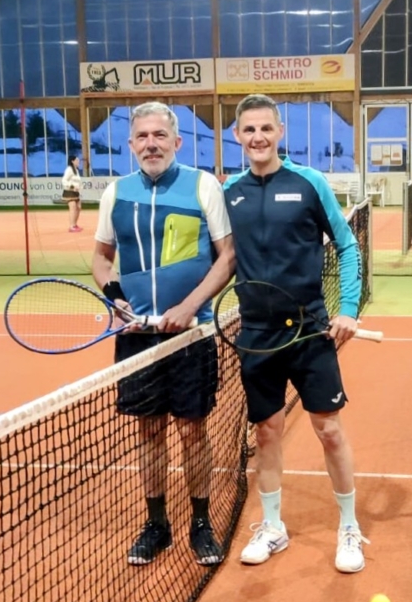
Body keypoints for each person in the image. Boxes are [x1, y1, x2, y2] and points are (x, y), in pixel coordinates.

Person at [223, 93, 369, 574]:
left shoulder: (309, 183)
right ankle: (272, 527)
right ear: (237, 135)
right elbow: (222, 260)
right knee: (266, 432)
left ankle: (349, 527)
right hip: (256, 336)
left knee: (329, 431)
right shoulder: (230, 192)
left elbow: (347, 245)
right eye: (249, 129)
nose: (258, 137)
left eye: (266, 128)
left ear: (279, 132)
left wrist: (348, 309)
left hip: (310, 332)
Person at [91, 101, 236, 567]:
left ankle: (200, 523)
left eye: (159, 135)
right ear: (131, 144)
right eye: (142, 136)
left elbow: (228, 256)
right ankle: (156, 524)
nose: (151, 144)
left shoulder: (203, 185)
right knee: (149, 431)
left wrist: (189, 307)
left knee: (192, 431)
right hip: (138, 336)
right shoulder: (116, 193)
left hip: (191, 335)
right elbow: (101, 259)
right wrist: (115, 298)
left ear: (177, 141)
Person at [62, 155, 83, 232]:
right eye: (76, 160)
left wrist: (79, 187)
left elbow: (78, 181)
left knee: (79, 207)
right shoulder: (69, 169)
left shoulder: (76, 170)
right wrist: (71, 186)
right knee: (73, 207)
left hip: (76, 192)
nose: (78, 161)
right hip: (69, 192)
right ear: (72, 161)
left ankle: (75, 224)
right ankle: (71, 226)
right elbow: (64, 180)